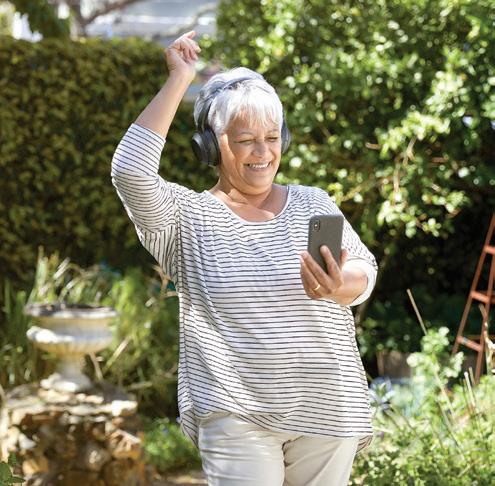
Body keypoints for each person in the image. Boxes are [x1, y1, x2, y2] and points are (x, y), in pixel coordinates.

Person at [111, 30, 377, 486]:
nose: (262, 152)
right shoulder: (184, 218)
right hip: (234, 412)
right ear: (210, 146)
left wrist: (339, 285)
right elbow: (130, 172)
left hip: (329, 408)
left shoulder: (313, 203)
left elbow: (363, 271)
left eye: (272, 138)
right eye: (246, 139)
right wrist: (180, 79)